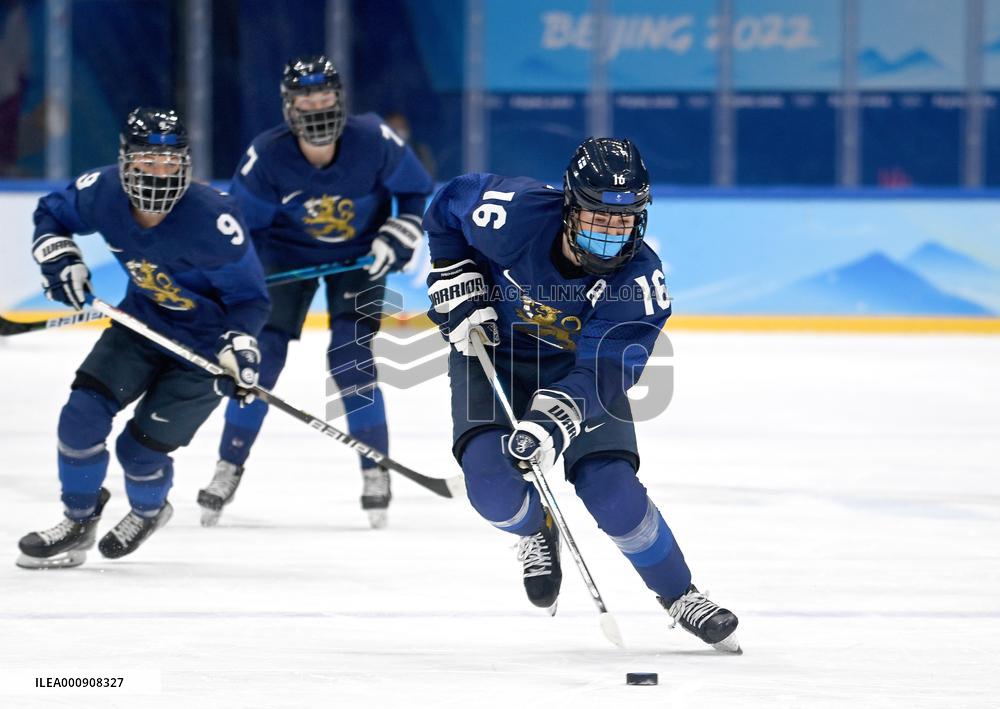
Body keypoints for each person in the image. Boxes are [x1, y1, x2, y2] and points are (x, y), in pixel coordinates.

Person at [424, 137, 741, 651]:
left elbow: (606, 370)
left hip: (577, 372)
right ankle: (535, 527)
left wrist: (554, 420)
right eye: (598, 216)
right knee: (490, 485)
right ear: (569, 206)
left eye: (625, 219)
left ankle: (680, 594)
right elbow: (448, 204)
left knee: (611, 490)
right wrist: (452, 270)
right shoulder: (513, 215)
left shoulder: (640, 281)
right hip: (492, 352)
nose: (613, 234)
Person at [17, 108, 270, 569]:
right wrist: (62, 259)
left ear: (186, 164)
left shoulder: (215, 220)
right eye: (147, 161)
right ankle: (77, 521)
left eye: (169, 162)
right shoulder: (102, 193)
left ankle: (150, 510)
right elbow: (51, 214)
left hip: (201, 353)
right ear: (125, 161)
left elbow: (250, 300)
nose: (159, 172)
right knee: (80, 418)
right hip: (139, 328)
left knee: (138, 450)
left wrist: (240, 346)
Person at [196, 55, 434, 528]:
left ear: (340, 98)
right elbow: (241, 233)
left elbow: (414, 190)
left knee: (351, 357)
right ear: (288, 104)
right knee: (259, 357)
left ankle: (375, 468)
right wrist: (240, 283)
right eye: (306, 96)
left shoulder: (372, 138)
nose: (317, 105)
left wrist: (403, 227)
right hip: (285, 257)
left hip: (362, 256)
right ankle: (229, 463)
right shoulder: (266, 156)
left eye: (324, 94)